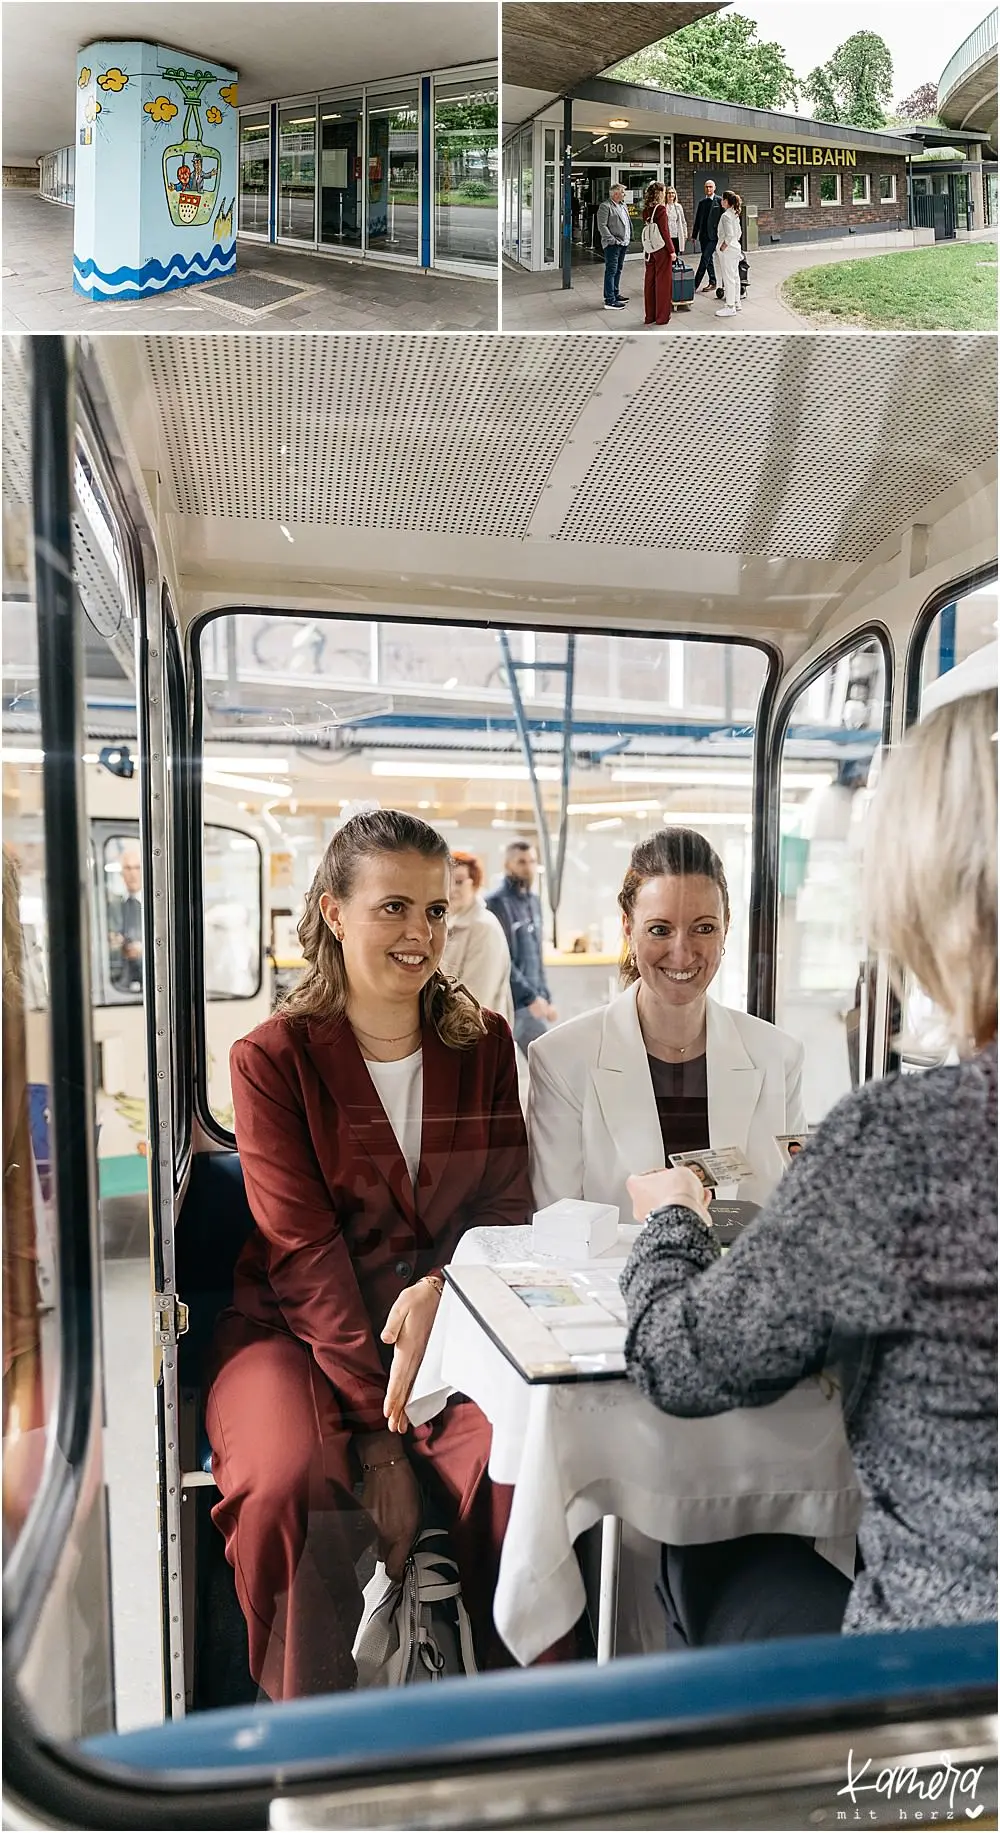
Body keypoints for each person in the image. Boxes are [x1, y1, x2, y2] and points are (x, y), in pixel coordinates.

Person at [621, 690, 998, 1638]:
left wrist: (672, 1220)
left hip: (948, 1710)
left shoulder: (907, 1142)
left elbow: (681, 1359)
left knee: (701, 1536)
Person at [205, 809, 536, 1700]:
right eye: (393, 907)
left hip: (452, 1322)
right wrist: (383, 1444)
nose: (419, 933)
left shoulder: (486, 1045)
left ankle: (514, 1740)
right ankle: (317, 1755)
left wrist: (442, 1288)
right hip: (295, 1335)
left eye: (435, 911)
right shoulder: (272, 1060)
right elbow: (305, 1256)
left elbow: (507, 1208)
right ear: (334, 913)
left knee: (521, 1470)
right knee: (284, 1483)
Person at [528, 828, 805, 1222]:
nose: (682, 952)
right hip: (613, 1282)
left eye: (704, 928)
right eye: (660, 930)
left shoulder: (779, 1056)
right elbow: (558, 1225)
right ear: (628, 927)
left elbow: (792, 1211)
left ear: (727, 925)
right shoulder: (562, 1060)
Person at [485, 841, 557, 1054]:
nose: (528, 867)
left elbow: (537, 953)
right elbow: (502, 957)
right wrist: (530, 998)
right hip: (513, 1001)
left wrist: (546, 996)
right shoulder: (496, 903)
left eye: (532, 861)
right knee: (547, 1058)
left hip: (534, 1001)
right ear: (508, 865)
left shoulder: (534, 902)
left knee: (542, 1067)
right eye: (521, 862)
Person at [441, 850, 514, 1024]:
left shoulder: (483, 927)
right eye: (446, 881)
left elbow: (476, 999)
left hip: (474, 1034)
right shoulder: (449, 921)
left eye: (459, 882)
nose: (451, 889)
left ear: (475, 884)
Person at [108, 842, 143, 993]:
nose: (133, 873)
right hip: (120, 985)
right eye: (128, 868)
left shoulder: (160, 908)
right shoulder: (114, 908)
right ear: (121, 873)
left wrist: (143, 950)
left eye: (137, 868)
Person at [641, 181, 674, 329]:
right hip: (661, 249)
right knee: (663, 282)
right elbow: (665, 232)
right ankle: (662, 317)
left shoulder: (646, 209)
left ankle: (650, 316)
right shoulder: (660, 209)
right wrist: (672, 250)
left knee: (650, 280)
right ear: (660, 193)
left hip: (649, 249)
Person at [596, 183, 631, 312]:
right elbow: (602, 226)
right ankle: (609, 300)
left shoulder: (623, 205)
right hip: (613, 245)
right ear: (615, 194)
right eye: (622, 192)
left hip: (623, 243)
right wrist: (612, 240)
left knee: (618, 269)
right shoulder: (605, 206)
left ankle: (616, 294)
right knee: (611, 271)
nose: (624, 194)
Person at [715, 191, 743, 319]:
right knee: (735, 276)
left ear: (726, 201)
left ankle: (730, 306)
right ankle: (737, 302)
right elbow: (739, 233)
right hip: (735, 248)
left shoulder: (726, 216)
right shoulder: (735, 214)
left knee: (728, 278)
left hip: (728, 250)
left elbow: (730, 234)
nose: (721, 201)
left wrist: (723, 247)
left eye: (722, 199)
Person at [692, 178, 723, 294]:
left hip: (713, 237)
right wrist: (694, 235)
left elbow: (723, 220)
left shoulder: (719, 201)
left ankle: (695, 285)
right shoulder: (702, 203)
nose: (708, 189)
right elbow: (698, 220)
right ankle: (713, 281)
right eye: (706, 187)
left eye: (710, 187)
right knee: (709, 259)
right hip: (703, 236)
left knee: (704, 258)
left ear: (714, 188)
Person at [663, 185, 688, 257]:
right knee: (666, 257)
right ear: (666, 194)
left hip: (676, 235)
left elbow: (683, 221)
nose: (671, 195)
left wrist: (685, 233)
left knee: (675, 256)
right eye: (669, 193)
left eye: (673, 193)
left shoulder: (678, 207)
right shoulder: (663, 207)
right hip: (666, 236)